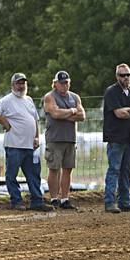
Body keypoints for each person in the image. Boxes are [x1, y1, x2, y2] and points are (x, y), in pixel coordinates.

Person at [0, 73, 53, 212]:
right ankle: (16, 201)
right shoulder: (7, 100)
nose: (21, 86)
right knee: (12, 175)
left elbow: (35, 120)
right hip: (14, 145)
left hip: (30, 145)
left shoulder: (28, 100)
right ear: (12, 85)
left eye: (23, 83)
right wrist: (4, 122)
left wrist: (36, 137)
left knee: (34, 174)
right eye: (18, 83)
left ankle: (37, 201)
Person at [102, 63, 130, 213]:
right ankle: (109, 202)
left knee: (127, 170)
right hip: (116, 138)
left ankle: (124, 202)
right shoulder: (111, 92)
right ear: (116, 76)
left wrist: (128, 110)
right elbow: (119, 114)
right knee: (114, 169)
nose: (125, 77)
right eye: (122, 75)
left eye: (127, 75)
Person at [43, 70, 85, 210]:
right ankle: (54, 198)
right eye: (61, 83)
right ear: (55, 84)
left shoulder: (75, 97)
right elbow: (54, 113)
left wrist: (64, 114)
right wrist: (72, 111)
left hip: (70, 138)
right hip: (54, 138)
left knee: (68, 169)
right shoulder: (49, 97)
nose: (64, 85)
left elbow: (82, 116)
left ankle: (65, 198)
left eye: (66, 82)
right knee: (54, 169)